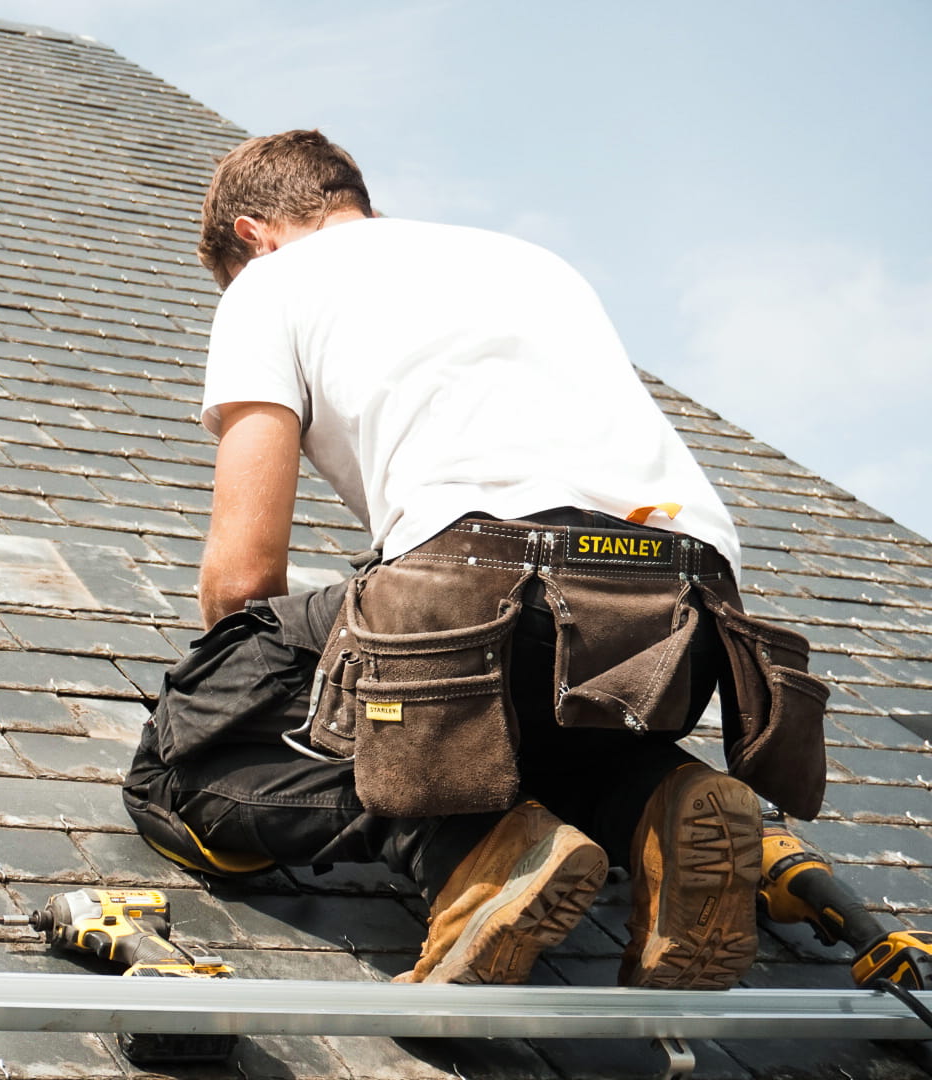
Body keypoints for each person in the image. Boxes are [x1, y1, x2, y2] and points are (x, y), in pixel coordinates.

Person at [124, 130, 828, 987]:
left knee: (180, 757)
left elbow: (241, 579)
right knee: (509, 712)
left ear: (252, 235)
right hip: (690, 613)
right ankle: (663, 803)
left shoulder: (270, 282)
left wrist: (252, 702)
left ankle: (473, 850)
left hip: (488, 570)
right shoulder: (530, 263)